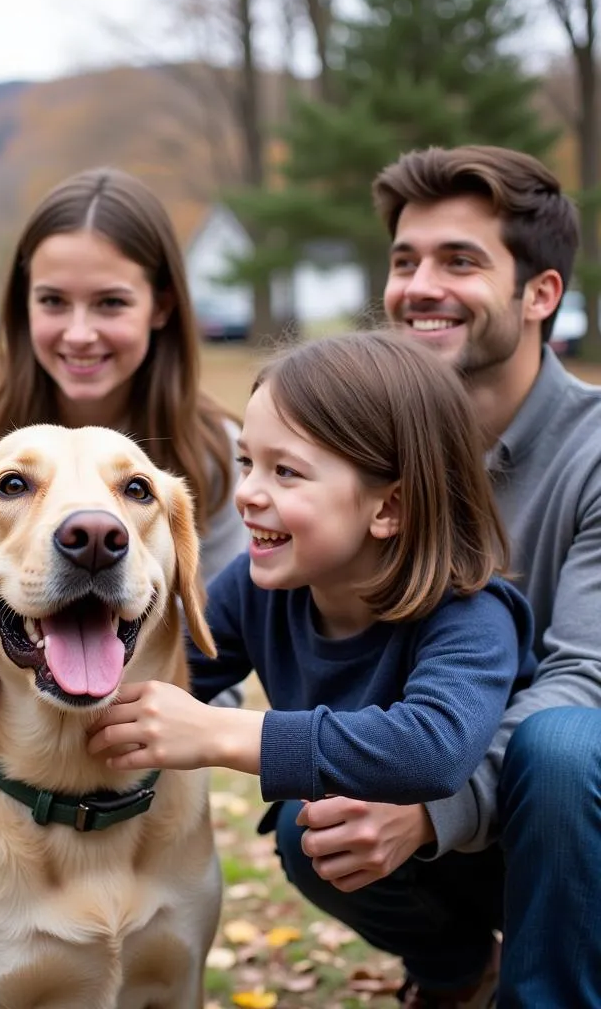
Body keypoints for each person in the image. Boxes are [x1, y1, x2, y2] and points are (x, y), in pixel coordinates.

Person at [253, 146, 601, 1009]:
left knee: (558, 750)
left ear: (540, 295)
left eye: (460, 260)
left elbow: (586, 680)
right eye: (404, 261)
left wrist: (433, 806)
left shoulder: (594, 456)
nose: (417, 286)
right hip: (463, 814)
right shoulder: (353, 459)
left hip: (576, 814)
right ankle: (457, 973)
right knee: (317, 816)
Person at [87, 330, 536, 923]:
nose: (247, 493)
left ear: (389, 508)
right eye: (248, 461)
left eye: (287, 472)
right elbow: (171, 670)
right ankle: (455, 974)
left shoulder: (473, 615)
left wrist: (225, 733)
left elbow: (433, 749)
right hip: (404, 862)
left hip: (522, 865)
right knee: (311, 832)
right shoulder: (257, 587)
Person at [0, 167, 249, 704]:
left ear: (160, 306)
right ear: (24, 302)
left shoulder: (220, 448)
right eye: (53, 301)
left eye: (111, 303)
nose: (79, 333)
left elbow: (222, 643)